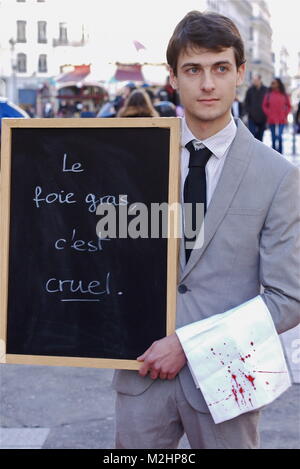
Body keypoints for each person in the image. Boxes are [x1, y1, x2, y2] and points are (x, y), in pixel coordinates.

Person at [112, 10, 300, 449]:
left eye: (220, 68)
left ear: (240, 74)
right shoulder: (132, 157)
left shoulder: (277, 176)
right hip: (139, 372)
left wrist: (187, 344)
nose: (208, 84)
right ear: (173, 79)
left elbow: (288, 298)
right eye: (193, 70)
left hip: (228, 381)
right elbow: (102, 254)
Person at [262, 78, 291, 154]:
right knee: (273, 138)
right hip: (271, 119)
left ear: (278, 83)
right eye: (272, 83)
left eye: (274, 83)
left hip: (281, 119)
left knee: (280, 137)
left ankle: (281, 154)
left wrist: (285, 113)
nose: (272, 84)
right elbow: (264, 105)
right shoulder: (268, 94)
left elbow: (289, 106)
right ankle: (274, 154)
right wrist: (269, 113)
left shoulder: (284, 95)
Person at [244, 74, 268, 141]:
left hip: (263, 117)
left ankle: (259, 150)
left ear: (260, 80)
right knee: (252, 135)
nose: (254, 81)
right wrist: (249, 111)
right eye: (253, 80)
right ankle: (253, 150)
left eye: (256, 80)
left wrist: (266, 113)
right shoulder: (250, 90)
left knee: (260, 137)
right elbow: (246, 102)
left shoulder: (266, 90)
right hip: (252, 117)